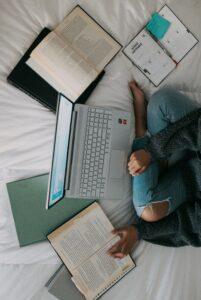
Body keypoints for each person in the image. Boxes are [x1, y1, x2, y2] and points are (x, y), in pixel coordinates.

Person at [108, 80, 201, 259]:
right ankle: (154, 151)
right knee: (161, 102)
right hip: (194, 139)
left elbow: (195, 221)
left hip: (192, 180)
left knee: (146, 208)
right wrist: (152, 152)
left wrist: (140, 232)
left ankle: (141, 133)